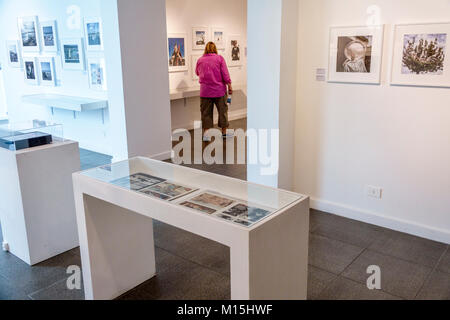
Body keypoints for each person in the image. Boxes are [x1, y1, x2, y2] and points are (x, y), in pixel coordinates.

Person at [196, 41, 233, 141]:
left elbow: (197, 73)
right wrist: (229, 85)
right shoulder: (219, 58)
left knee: (205, 113)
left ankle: (206, 135)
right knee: (223, 112)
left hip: (205, 92)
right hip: (219, 91)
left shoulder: (200, 60)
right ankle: (224, 133)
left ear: (206, 49)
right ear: (215, 49)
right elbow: (225, 74)